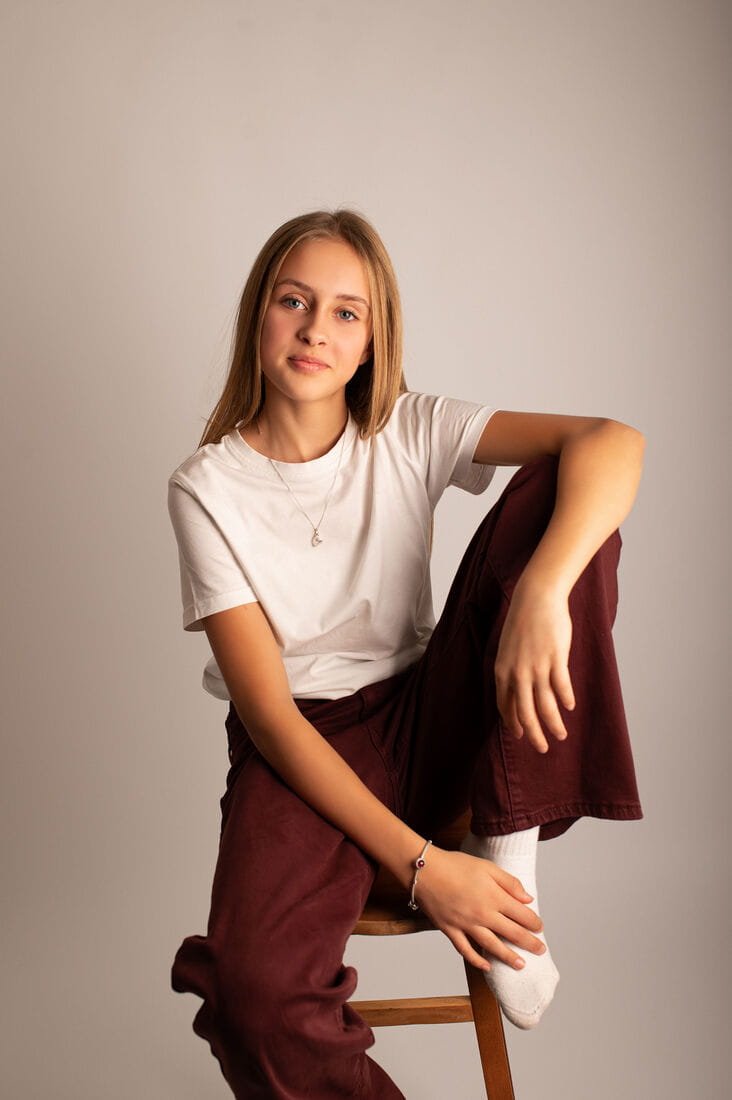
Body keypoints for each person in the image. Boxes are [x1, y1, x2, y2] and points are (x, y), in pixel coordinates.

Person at [166, 207, 645, 1099]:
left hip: (428, 715)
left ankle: (509, 853)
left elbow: (614, 441)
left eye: (346, 312)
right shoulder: (208, 487)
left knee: (562, 491)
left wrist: (541, 591)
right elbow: (269, 717)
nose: (316, 328)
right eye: (294, 301)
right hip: (299, 747)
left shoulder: (407, 427)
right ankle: (476, 875)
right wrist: (426, 871)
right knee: (252, 998)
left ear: (371, 339)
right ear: (258, 315)